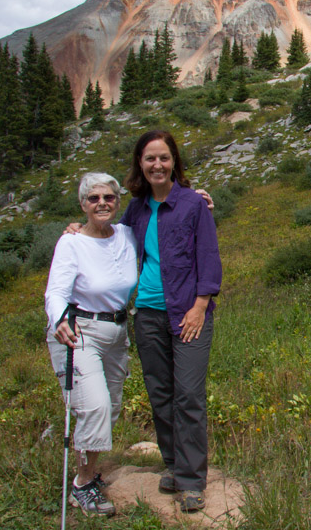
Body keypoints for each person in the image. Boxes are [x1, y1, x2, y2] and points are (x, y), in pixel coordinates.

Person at [121, 129, 222, 513]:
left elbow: (209, 257)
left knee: (189, 395)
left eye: (164, 158)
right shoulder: (136, 209)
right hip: (146, 313)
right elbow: (112, 239)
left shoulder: (193, 205)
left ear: (174, 162)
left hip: (188, 313)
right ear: (140, 165)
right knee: (160, 393)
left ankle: (193, 481)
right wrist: (78, 230)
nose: (157, 165)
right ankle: (174, 466)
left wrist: (199, 306)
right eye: (150, 159)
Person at [45, 172, 137, 517]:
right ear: (83, 204)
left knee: (110, 407)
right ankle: (82, 486)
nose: (102, 204)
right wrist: (59, 320)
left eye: (109, 198)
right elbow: (56, 291)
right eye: (93, 198)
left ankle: (91, 471)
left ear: (117, 201)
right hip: (79, 330)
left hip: (117, 330)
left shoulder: (127, 234)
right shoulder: (71, 242)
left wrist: (198, 198)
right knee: (94, 406)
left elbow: (165, 220)